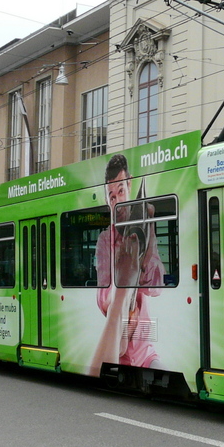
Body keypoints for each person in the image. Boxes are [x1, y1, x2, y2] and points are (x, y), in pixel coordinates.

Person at [90, 153, 164, 374]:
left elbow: (156, 287)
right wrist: (122, 282)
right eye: (111, 197)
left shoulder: (143, 225)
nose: (117, 202)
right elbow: (103, 298)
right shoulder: (105, 240)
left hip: (144, 352)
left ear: (130, 184)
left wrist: (146, 254)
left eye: (120, 191)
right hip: (116, 350)